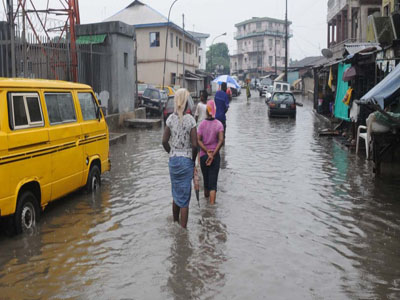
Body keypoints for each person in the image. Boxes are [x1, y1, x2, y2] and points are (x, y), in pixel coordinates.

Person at [162, 89, 198, 229]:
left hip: (174, 161)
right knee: (185, 199)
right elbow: (195, 145)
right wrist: (192, 161)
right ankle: (183, 230)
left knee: (175, 192)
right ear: (186, 102)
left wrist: (171, 153)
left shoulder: (170, 119)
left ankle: (175, 223)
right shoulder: (191, 120)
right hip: (186, 161)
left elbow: (164, 141)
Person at [197, 100, 224, 205]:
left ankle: (206, 209)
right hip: (215, 157)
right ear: (214, 110)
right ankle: (212, 211)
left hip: (204, 157)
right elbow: (221, 140)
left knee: (206, 182)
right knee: (213, 184)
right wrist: (213, 154)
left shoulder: (202, 124)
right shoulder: (219, 125)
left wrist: (206, 151)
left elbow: (198, 140)